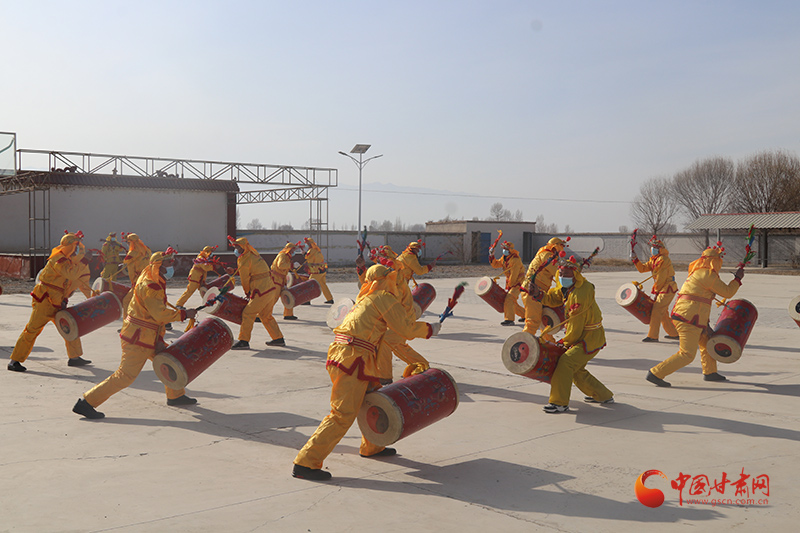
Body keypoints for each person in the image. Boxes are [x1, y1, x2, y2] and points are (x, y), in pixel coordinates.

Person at [292, 264, 442, 481]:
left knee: (372, 400)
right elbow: (405, 328)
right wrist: (429, 329)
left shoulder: (365, 299)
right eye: (395, 279)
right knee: (342, 414)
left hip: (352, 357)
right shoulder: (383, 298)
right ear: (387, 280)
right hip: (354, 359)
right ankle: (305, 462)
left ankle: (372, 446)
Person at [73, 250, 198, 419]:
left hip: (147, 335)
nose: (172, 265)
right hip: (138, 339)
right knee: (125, 376)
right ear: (159, 265)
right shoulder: (151, 286)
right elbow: (159, 314)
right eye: (169, 262)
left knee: (168, 361)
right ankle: (86, 402)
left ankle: (176, 395)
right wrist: (184, 314)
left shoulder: (152, 279)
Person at [646, 246, 743, 387]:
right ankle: (656, 373)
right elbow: (728, 292)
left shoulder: (697, 272)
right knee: (687, 354)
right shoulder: (707, 275)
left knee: (706, 341)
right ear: (713, 261)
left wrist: (705, 323)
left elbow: (700, 299)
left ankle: (710, 372)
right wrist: (737, 279)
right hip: (688, 318)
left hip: (690, 315)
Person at [531, 253, 613, 413]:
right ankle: (603, 395)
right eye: (560, 273)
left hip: (589, 338)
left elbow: (576, 324)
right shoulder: (567, 288)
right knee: (576, 369)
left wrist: (564, 343)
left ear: (575, 275)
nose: (562, 277)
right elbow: (553, 298)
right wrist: (537, 294)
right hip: (580, 334)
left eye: (566, 274)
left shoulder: (581, 293)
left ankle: (559, 403)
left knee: (566, 362)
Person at [8, 232, 93, 372]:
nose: (77, 249)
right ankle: (14, 361)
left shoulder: (67, 260)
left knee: (69, 326)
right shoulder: (58, 259)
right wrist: (84, 261)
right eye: (76, 246)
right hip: (45, 301)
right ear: (69, 246)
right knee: (32, 330)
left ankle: (75, 357)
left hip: (58, 302)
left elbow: (74, 281)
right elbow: (71, 275)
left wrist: (87, 297)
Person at [229, 237, 285, 349]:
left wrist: (247, 291)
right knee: (265, 316)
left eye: (237, 247)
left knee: (248, 313)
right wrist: (235, 272)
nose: (236, 249)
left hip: (261, 291)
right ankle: (278, 338)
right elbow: (254, 271)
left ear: (243, 247)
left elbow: (245, 278)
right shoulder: (255, 255)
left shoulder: (244, 259)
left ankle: (244, 341)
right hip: (270, 289)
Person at [633, 236, 680, 342]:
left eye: (655, 247)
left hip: (667, 288)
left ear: (660, 249)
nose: (653, 249)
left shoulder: (663, 260)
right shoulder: (654, 260)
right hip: (663, 288)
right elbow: (643, 269)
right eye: (652, 247)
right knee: (663, 313)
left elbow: (661, 278)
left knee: (656, 311)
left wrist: (657, 291)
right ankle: (673, 333)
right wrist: (635, 259)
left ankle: (653, 336)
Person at [521, 237, 566, 339]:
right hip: (532, 291)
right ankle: (524, 342)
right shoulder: (547, 256)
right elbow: (558, 273)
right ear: (555, 246)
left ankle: (548, 343)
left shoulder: (547, 255)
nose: (562, 249)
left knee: (544, 320)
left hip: (537, 291)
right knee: (533, 321)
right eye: (561, 246)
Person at [489, 240, 525, 326]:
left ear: (510, 250)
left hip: (518, 283)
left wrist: (510, 286)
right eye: (503, 248)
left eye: (506, 249)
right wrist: (492, 255)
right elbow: (495, 264)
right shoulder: (504, 258)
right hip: (511, 283)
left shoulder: (515, 260)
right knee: (512, 301)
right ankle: (525, 315)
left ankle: (509, 320)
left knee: (509, 298)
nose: (504, 250)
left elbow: (514, 274)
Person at [271, 241, 299, 320]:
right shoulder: (282, 255)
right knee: (273, 298)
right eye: (293, 250)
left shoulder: (287, 256)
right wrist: (292, 265)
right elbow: (281, 265)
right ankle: (261, 315)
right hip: (276, 280)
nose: (293, 252)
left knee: (288, 296)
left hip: (281, 279)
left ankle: (288, 314)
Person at [303, 237, 334, 304]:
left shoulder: (311, 251)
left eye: (307, 243)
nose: (306, 245)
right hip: (322, 270)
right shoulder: (317, 250)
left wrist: (303, 253)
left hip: (316, 271)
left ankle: (307, 300)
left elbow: (308, 259)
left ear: (309, 244)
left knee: (310, 284)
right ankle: (330, 299)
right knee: (323, 285)